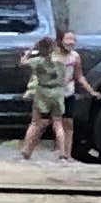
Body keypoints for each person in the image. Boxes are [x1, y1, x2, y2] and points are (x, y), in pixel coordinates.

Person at [19, 29, 78, 160]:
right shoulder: (61, 62)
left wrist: (30, 51)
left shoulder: (38, 61)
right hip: (57, 93)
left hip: (43, 93)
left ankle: (26, 150)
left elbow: (23, 63)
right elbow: (64, 79)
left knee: (35, 123)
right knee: (58, 123)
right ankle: (63, 153)